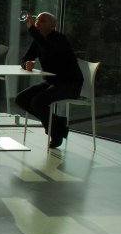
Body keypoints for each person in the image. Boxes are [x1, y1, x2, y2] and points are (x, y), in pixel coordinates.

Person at [15, 12, 83, 148]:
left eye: (42, 21)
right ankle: (58, 124)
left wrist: (32, 31)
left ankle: (56, 132)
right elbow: (25, 58)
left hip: (70, 84)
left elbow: (49, 49)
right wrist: (26, 64)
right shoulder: (38, 41)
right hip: (52, 82)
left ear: (53, 25)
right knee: (21, 99)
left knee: (37, 101)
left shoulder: (59, 39)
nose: (37, 23)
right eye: (37, 20)